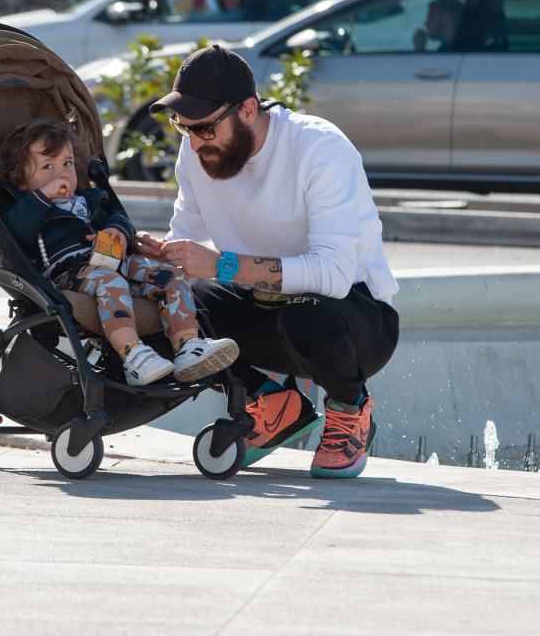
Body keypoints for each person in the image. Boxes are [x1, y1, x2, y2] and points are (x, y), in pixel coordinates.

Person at [135, 45, 400, 478]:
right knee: (159, 303)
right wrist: (159, 253)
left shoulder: (320, 147)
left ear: (247, 110)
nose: (195, 142)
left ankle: (350, 407)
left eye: (203, 128)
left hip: (351, 322)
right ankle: (271, 402)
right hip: (262, 312)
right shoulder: (197, 150)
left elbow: (332, 275)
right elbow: (185, 238)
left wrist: (223, 266)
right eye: (183, 128)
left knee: (306, 314)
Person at [0, 118, 238, 387]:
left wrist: (118, 230)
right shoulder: (24, 209)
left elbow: (119, 217)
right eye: (47, 166)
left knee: (171, 276)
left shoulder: (89, 198)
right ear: (20, 181)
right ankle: (133, 355)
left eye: (67, 164)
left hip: (115, 261)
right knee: (111, 282)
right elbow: (16, 231)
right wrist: (42, 197)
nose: (61, 174)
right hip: (70, 273)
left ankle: (188, 345)